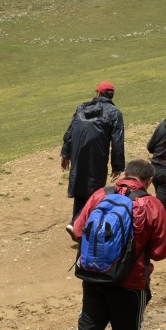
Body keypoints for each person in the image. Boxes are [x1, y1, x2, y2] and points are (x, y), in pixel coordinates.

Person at [62, 159, 166, 330]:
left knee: (88, 329)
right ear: (148, 181)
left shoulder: (101, 194)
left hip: (93, 276)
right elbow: (162, 250)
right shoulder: (152, 205)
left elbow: (78, 231)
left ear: (126, 175)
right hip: (130, 282)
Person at [60, 81, 125, 227]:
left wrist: (65, 155)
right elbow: (117, 142)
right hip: (97, 156)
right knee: (94, 190)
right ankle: (77, 224)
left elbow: (69, 133)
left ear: (97, 93)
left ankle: (78, 225)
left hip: (77, 155)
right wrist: (117, 166)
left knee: (80, 186)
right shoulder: (115, 113)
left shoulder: (81, 108)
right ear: (112, 95)